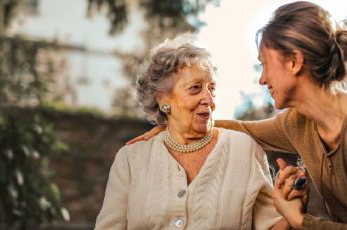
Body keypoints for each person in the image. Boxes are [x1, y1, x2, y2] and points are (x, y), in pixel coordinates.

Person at [127, 2, 347, 229]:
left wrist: (300, 220)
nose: (262, 79)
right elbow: (244, 129)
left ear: (294, 62)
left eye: (265, 65)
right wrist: (176, 127)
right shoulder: (299, 122)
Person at [95, 35, 294, 229]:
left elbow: (270, 225)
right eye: (195, 88)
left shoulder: (244, 150)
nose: (209, 99)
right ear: (162, 98)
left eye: (212, 88)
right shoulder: (131, 159)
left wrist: (291, 214)